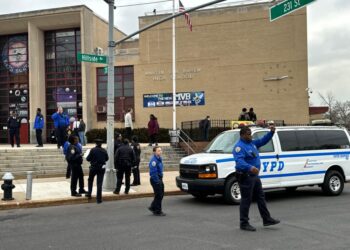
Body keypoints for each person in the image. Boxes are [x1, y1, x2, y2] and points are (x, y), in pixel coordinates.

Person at [233, 125, 280, 231]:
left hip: (254, 176)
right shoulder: (239, 147)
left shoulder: (252, 143)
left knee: (261, 197)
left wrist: (271, 133)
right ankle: (244, 223)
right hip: (246, 176)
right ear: (242, 135)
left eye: (250, 134)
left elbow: (262, 141)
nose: (250, 136)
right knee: (246, 199)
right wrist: (250, 167)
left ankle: (266, 219)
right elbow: (239, 162)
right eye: (248, 134)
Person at [86, 139, 109, 204]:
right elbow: (107, 158)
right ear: (101, 144)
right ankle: (99, 199)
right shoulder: (104, 150)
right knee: (99, 183)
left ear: (95, 144)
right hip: (101, 168)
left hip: (93, 168)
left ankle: (89, 194)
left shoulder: (93, 150)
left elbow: (88, 159)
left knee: (90, 180)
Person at [148, 146, 165, 216]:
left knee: (160, 194)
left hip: (159, 178)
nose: (160, 152)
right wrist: (157, 181)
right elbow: (153, 172)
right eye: (158, 151)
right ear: (154, 152)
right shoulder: (154, 161)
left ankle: (153, 207)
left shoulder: (159, 159)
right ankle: (158, 211)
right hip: (155, 179)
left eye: (160, 150)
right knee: (159, 195)